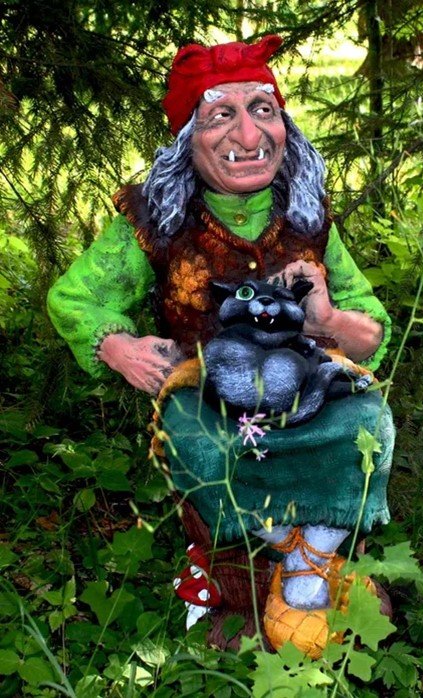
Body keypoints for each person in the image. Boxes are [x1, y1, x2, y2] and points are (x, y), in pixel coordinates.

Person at [47, 35, 394, 656]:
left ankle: (323, 566)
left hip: (312, 395)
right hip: (210, 401)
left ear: (285, 126)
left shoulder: (307, 216)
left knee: (365, 425)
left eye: (263, 109)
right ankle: (244, 596)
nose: (249, 134)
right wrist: (118, 345)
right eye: (220, 115)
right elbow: (75, 297)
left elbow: (370, 329)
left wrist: (328, 318)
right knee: (212, 459)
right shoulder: (156, 221)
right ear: (189, 139)